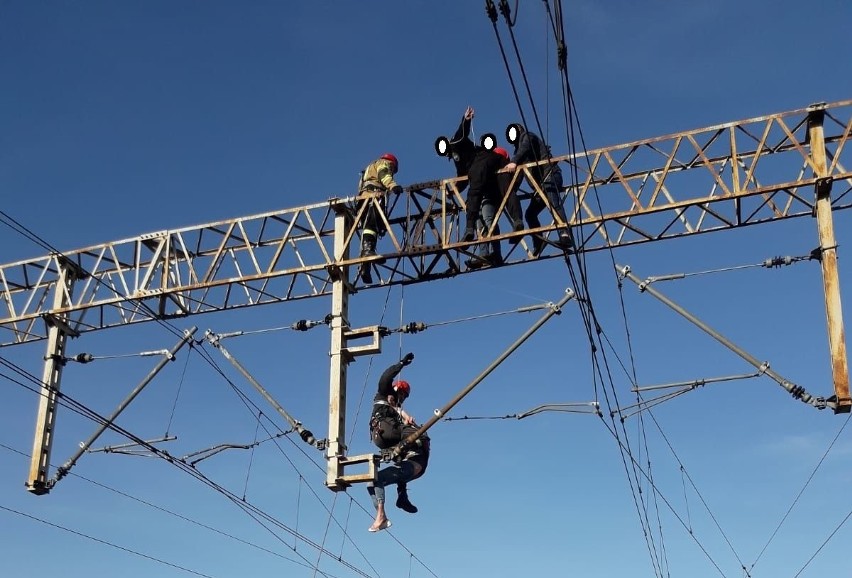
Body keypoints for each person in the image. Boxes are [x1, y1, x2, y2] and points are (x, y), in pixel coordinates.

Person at [502, 125, 573, 256]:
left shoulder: (528, 137)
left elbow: (525, 147)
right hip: (541, 187)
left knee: (553, 203)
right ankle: (539, 241)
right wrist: (510, 191)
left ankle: (565, 234)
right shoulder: (519, 153)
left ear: (519, 131)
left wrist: (514, 161)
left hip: (550, 175)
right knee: (530, 214)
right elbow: (519, 177)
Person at [369, 352, 420, 515]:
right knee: (418, 435)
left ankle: (400, 497)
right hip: (385, 429)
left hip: (386, 437)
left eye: (405, 397)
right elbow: (385, 378)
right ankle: (419, 441)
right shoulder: (385, 393)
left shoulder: (397, 410)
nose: (402, 398)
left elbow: (400, 414)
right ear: (396, 389)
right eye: (401, 394)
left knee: (402, 460)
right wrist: (401, 364)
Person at [367, 423, 430, 532]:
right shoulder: (403, 435)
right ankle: (392, 507)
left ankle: (382, 516)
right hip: (407, 465)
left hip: (414, 465)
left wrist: (397, 448)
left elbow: (412, 444)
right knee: (370, 483)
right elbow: (397, 454)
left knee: (378, 478)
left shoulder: (416, 434)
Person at [357, 153, 402, 284]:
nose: (392, 171)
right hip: (372, 197)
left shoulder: (370, 167)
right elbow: (384, 175)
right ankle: (367, 253)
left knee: (371, 229)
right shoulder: (383, 163)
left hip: (364, 198)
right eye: (393, 169)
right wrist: (393, 186)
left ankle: (365, 268)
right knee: (371, 226)